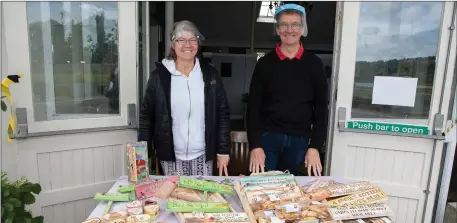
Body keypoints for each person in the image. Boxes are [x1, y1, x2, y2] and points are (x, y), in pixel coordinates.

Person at [138, 20, 231, 176]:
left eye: (192, 39)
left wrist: (223, 151)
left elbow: (223, 114)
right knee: (174, 198)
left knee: (202, 198)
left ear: (198, 44)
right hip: (170, 156)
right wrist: (141, 156)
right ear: (173, 45)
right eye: (181, 40)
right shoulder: (159, 77)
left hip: (203, 155)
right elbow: (146, 117)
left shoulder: (210, 75)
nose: (187, 44)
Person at [247, 3, 328, 176]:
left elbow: (321, 109)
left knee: (292, 193)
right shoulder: (264, 64)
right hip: (267, 138)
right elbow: (252, 108)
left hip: (299, 140)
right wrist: (255, 145)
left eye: (295, 25)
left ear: (302, 29)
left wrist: (314, 146)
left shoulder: (314, 64)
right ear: (277, 29)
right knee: (263, 188)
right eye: (284, 24)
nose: (289, 30)